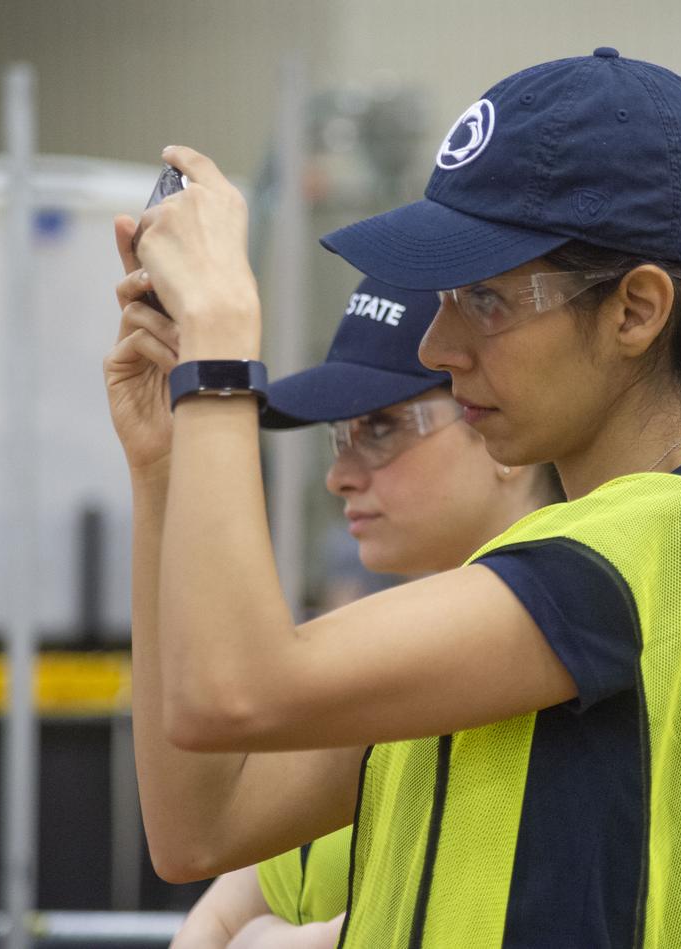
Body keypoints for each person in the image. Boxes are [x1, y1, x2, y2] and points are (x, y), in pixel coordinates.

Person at [105, 48, 681, 947]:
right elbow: (197, 827)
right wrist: (165, 468)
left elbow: (235, 689)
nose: (438, 346)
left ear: (636, 311)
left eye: (485, 299)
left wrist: (221, 342)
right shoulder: (528, 595)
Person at [168, 277, 562, 948]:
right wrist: (155, 461)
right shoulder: (389, 672)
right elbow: (199, 866)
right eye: (339, 436)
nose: (340, 474)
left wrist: (286, 940)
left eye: (380, 427)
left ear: (491, 413)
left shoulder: (569, 636)